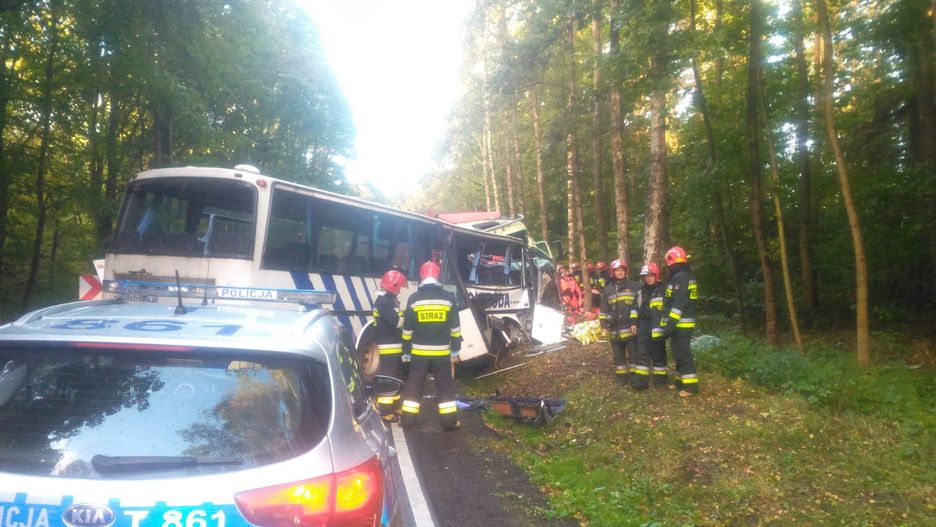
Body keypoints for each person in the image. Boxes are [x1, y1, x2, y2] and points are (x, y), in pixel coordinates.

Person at [400, 261, 463, 431]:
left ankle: (407, 421)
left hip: (419, 353)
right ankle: (450, 422)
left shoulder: (413, 299)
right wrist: (456, 347)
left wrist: (406, 351)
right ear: (437, 276)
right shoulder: (448, 298)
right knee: (445, 386)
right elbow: (455, 327)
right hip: (442, 353)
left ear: (421, 277)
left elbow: (407, 329)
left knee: (414, 385)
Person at [653, 246, 699, 395]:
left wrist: (670, 325)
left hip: (681, 323)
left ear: (671, 260)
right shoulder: (684, 275)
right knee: (678, 352)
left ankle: (690, 387)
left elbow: (678, 304)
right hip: (681, 322)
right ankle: (681, 381)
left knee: (682, 353)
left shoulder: (680, 277)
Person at [373, 268, 408, 420]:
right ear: (393, 286)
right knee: (388, 379)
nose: (400, 290)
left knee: (397, 377)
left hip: (394, 345)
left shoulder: (389, 300)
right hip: (388, 346)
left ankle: (396, 406)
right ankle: (386, 411)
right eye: (399, 287)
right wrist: (410, 319)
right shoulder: (383, 302)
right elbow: (396, 322)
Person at [599, 259, 640, 386]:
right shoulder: (608, 290)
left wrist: (636, 322)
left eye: (622, 270)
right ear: (613, 272)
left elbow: (639, 306)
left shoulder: (635, 286)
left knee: (633, 355)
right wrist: (603, 325)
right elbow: (603, 309)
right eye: (617, 270)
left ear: (626, 272)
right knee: (618, 357)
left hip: (630, 328)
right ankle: (621, 378)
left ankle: (634, 377)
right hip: (614, 331)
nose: (620, 273)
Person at [636, 263, 668, 388]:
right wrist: (634, 323)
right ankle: (641, 382)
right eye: (646, 276)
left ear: (656, 276)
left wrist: (664, 326)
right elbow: (635, 308)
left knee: (658, 354)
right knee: (642, 353)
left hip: (657, 327)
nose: (649, 278)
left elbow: (667, 309)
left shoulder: (663, 291)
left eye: (651, 276)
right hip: (643, 327)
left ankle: (660, 381)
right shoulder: (640, 292)